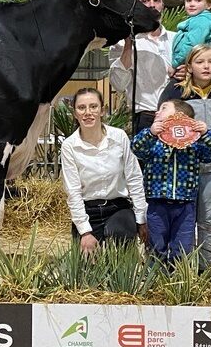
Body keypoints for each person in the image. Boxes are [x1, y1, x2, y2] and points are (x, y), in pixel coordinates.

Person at [160, 45, 211, 267]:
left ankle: (203, 267)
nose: (206, 67)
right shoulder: (176, 92)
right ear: (190, 66)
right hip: (183, 169)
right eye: (200, 62)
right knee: (184, 219)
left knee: (207, 219)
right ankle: (181, 266)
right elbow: (164, 125)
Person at [131, 99, 211, 265]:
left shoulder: (194, 142)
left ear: (180, 116)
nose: (157, 112)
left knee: (182, 247)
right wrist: (150, 133)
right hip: (157, 203)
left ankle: (178, 281)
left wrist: (207, 133)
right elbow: (137, 148)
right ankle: (155, 280)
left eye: (163, 109)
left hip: (185, 205)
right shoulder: (154, 140)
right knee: (156, 245)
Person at [59, 87, 148, 253]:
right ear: (75, 113)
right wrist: (85, 232)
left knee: (120, 236)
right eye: (81, 108)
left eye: (93, 107)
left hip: (118, 207)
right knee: (85, 268)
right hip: (88, 211)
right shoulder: (69, 146)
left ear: (102, 110)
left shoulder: (119, 137)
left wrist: (141, 218)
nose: (88, 112)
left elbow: (134, 178)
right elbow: (73, 191)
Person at [109, 0, 173, 134]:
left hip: (177, 116)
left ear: (162, 4)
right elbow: (118, 85)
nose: (152, 4)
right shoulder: (120, 44)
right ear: (136, 5)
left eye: (156, 0)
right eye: (145, 0)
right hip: (145, 118)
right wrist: (128, 45)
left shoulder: (177, 39)